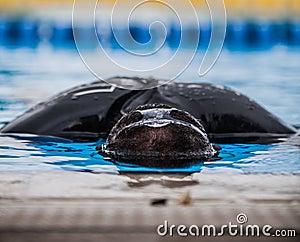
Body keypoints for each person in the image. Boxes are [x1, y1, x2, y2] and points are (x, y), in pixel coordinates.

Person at [1, 77, 295, 167]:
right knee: (30, 96)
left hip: (99, 96)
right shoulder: (237, 116)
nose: (159, 118)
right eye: (172, 119)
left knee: (30, 97)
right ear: (216, 146)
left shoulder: (65, 116)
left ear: (102, 146)